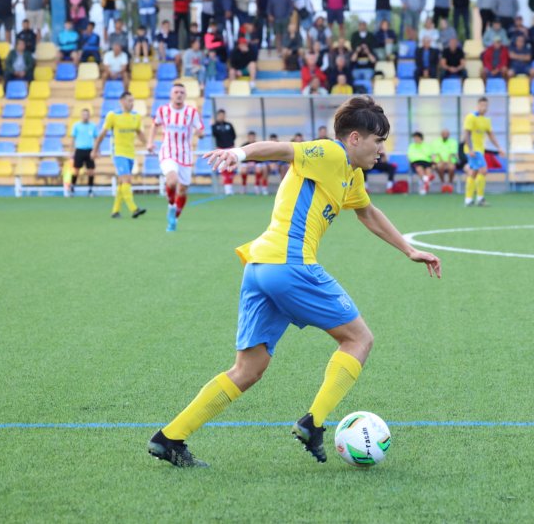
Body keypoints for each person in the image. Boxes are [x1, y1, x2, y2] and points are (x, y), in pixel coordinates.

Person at [147, 96, 442, 468]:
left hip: (260, 267)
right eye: (377, 141)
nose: (382, 150)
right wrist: (239, 155)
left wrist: (408, 249)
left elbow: (367, 212)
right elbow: (283, 149)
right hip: (290, 264)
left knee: (248, 369)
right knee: (359, 339)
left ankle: (169, 437)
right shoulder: (331, 153)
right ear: (354, 138)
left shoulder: (351, 174)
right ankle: (313, 423)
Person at [147, 83, 205, 232]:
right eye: (176, 92)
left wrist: (200, 133)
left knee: (183, 189)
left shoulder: (191, 112)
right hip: (168, 151)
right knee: (172, 181)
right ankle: (171, 206)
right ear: (171, 95)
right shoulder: (163, 110)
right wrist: (150, 142)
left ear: (185, 95)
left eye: (181, 92)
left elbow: (200, 128)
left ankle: (175, 218)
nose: (179, 94)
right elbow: (155, 125)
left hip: (185, 154)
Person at [92, 92, 147, 218]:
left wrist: (148, 145)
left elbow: (139, 133)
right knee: (127, 179)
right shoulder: (113, 115)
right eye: (129, 100)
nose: (131, 103)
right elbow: (102, 134)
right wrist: (95, 149)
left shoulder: (136, 116)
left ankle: (115, 211)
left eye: (132, 101)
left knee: (123, 183)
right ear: (121, 101)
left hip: (130, 153)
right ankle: (134, 209)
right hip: (118, 152)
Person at [463, 97, 505, 207]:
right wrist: (470, 148)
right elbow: (466, 134)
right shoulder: (471, 117)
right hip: (473, 150)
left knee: (474, 173)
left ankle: (468, 199)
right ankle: (480, 198)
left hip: (480, 150)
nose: (484, 108)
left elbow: (491, 135)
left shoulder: (486, 120)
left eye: (485, 106)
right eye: (481, 105)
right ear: (477, 105)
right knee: (483, 170)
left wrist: (499, 147)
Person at [71, 108, 99, 197]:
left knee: (91, 171)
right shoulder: (76, 126)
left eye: (87, 114)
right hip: (79, 150)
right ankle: (72, 188)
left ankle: (90, 190)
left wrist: (97, 150)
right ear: (81, 115)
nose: (85, 116)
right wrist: (71, 151)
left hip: (89, 150)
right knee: (76, 171)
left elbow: (96, 138)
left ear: (89, 116)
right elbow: (73, 139)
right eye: (84, 114)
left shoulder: (93, 126)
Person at [431, 129, 458, 193]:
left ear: (449, 135)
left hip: (450, 160)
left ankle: (450, 182)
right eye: (444, 134)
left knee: (451, 167)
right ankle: (443, 183)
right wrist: (442, 161)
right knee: (440, 166)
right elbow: (436, 153)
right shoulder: (436, 142)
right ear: (441, 134)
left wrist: (448, 161)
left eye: (446, 134)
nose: (445, 135)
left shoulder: (453, 142)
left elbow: (452, 152)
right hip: (440, 160)